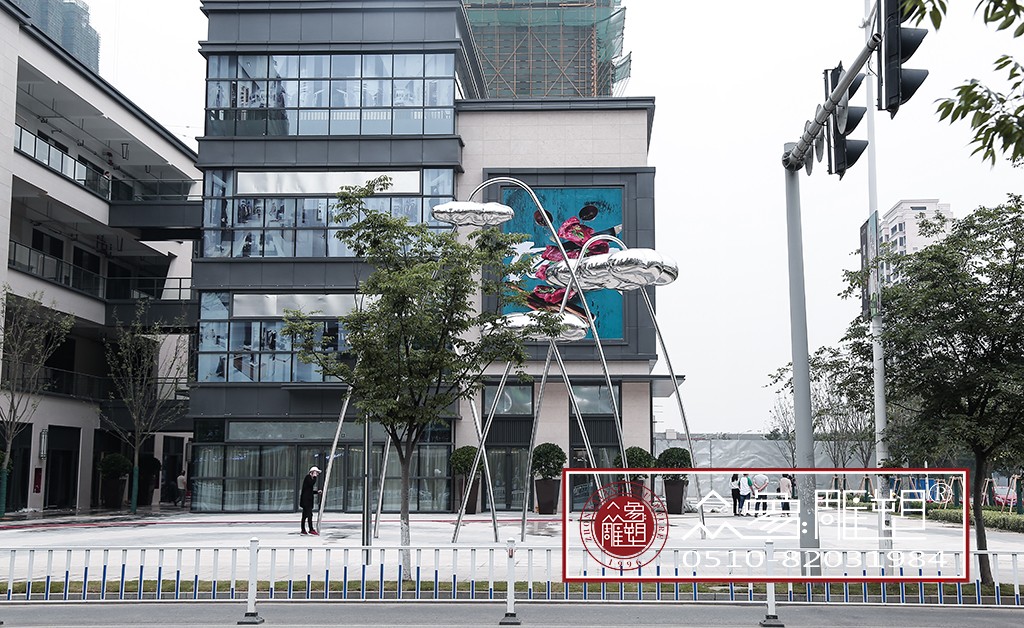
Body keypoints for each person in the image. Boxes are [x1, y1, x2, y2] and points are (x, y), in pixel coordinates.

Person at [300, 466, 322, 535]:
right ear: (312, 472)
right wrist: (314, 477)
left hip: (308, 500)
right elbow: (311, 483)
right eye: (316, 473)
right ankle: (311, 529)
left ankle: (303, 530)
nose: (317, 474)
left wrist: (317, 492)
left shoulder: (310, 479)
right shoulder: (308, 478)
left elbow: (309, 490)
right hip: (306, 501)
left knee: (304, 515)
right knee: (309, 515)